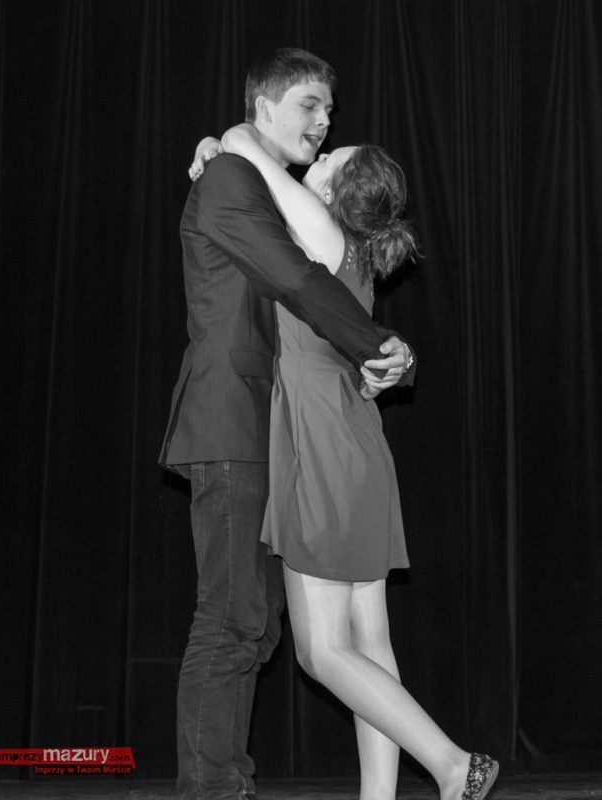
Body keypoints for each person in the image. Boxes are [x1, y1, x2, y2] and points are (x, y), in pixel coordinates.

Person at [191, 124, 499, 800]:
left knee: (321, 651)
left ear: (334, 192)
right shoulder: (348, 251)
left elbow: (249, 145)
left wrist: (221, 141)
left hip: (325, 444)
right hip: (355, 442)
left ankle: (454, 766)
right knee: (369, 641)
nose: (320, 152)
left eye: (331, 157)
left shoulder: (323, 232)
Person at [160, 48, 416, 800]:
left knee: (261, 623)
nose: (324, 120)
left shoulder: (270, 188)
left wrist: (390, 358)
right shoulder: (230, 179)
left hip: (284, 435)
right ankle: (214, 788)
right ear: (264, 105)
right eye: (310, 104)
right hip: (234, 420)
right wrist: (384, 349)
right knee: (236, 618)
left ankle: (228, 781)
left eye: (330, 110)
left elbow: (328, 278)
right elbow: (297, 280)